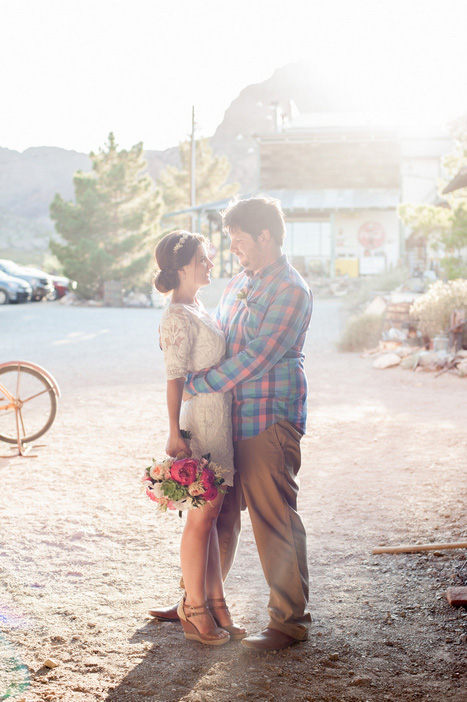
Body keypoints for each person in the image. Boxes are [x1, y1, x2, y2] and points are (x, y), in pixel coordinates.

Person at [151, 197, 313, 651]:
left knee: (272, 516)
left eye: (238, 241)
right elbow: (213, 338)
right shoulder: (239, 284)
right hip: (226, 419)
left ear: (264, 236)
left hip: (267, 417)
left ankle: (288, 622)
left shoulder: (291, 290)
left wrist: (196, 385)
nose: (233, 251)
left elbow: (259, 356)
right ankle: (195, 600)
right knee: (216, 514)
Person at [153, 230, 247, 646]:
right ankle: (193, 610)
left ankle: (215, 602)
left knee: (211, 518)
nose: (211, 264)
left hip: (219, 421)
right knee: (201, 517)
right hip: (199, 425)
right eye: (204, 259)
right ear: (182, 267)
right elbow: (174, 379)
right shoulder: (176, 315)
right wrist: (174, 433)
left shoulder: (198, 307)